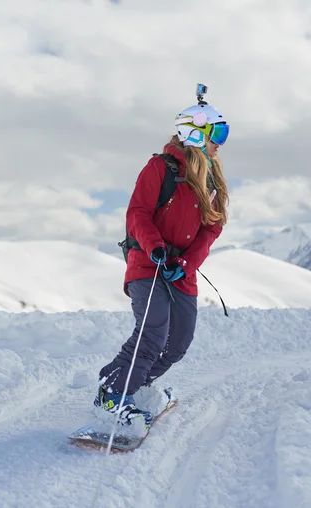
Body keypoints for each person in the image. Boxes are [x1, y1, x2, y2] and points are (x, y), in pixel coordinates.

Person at [94, 87, 230, 426]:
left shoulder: (211, 178)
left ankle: (130, 384)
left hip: (180, 271)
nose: (221, 143)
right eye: (218, 133)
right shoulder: (161, 167)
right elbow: (137, 212)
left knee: (178, 343)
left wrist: (186, 263)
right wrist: (155, 248)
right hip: (148, 262)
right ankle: (114, 395)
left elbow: (212, 228)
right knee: (153, 330)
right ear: (195, 134)